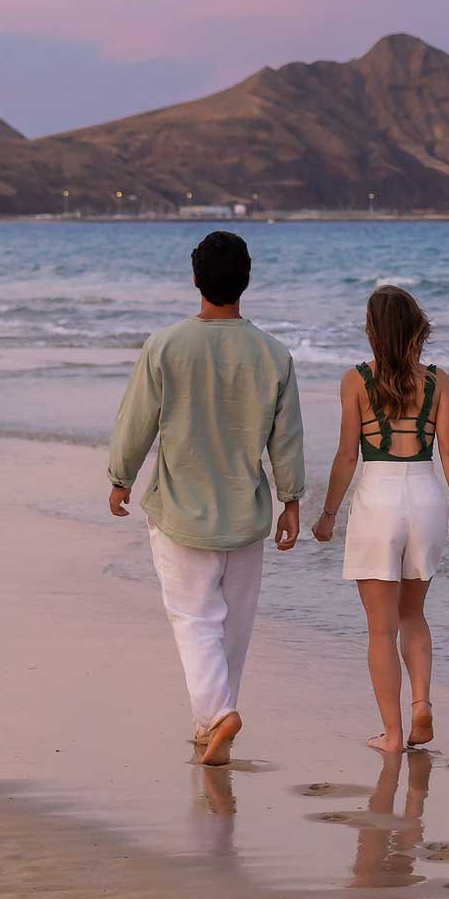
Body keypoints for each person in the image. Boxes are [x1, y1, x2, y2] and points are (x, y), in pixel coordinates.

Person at [105, 231, 306, 767]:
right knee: (234, 627)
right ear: (246, 280)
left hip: (180, 509)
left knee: (193, 620)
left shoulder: (165, 346)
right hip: (247, 511)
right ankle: (211, 720)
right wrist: (291, 500)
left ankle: (217, 716)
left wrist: (120, 477)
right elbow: (286, 439)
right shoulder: (274, 355)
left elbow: (136, 420)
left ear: (195, 279)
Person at [311, 284, 449, 751]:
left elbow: (346, 456)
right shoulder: (438, 380)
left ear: (373, 332)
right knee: (414, 614)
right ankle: (422, 705)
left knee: (381, 629)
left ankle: (393, 734)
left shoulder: (355, 380)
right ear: (416, 327)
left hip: (378, 499)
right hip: (426, 496)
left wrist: (327, 514)